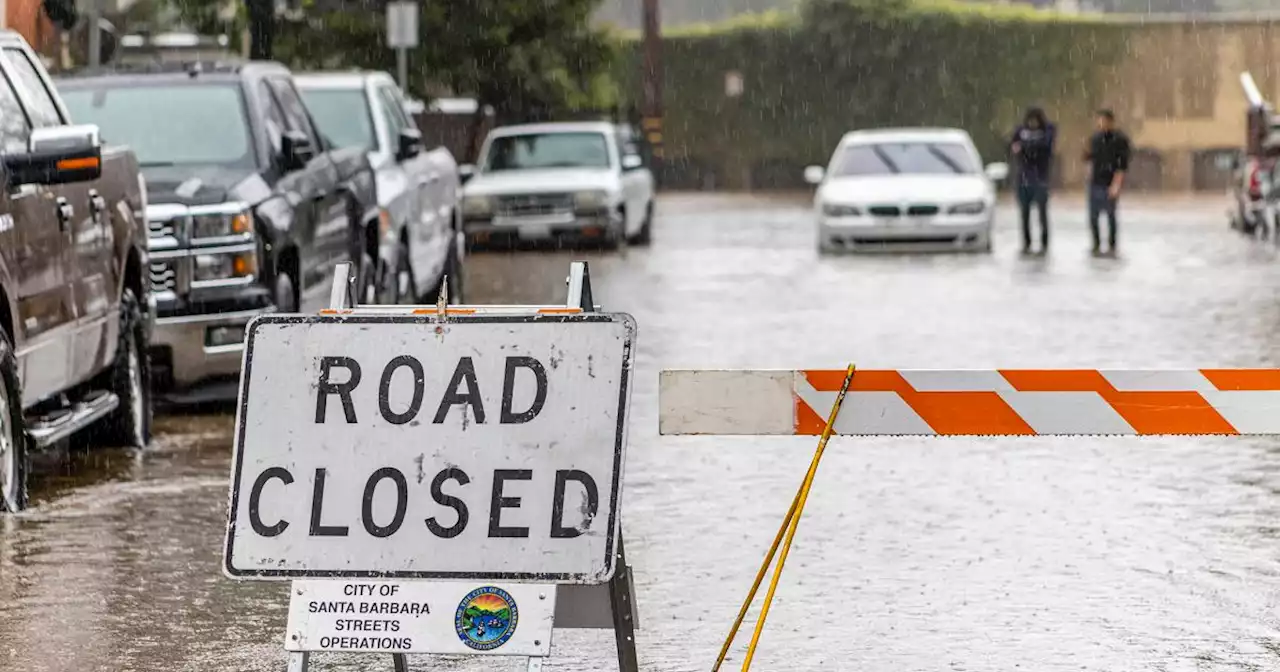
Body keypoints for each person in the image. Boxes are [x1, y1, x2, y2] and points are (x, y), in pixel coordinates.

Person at [1083, 109, 1132, 257]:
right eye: (1099, 121)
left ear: (1111, 121)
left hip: (1110, 182)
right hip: (1095, 182)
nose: (1101, 124)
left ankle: (1112, 245)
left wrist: (1116, 185)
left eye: (1103, 121)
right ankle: (1096, 245)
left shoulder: (1120, 139)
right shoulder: (1095, 139)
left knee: (1111, 216)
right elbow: (1089, 159)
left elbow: (1122, 165)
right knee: (1093, 217)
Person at [1009, 107, 1056, 255]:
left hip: (1040, 178)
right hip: (1023, 178)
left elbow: (1045, 146)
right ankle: (1026, 243)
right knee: (1024, 214)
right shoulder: (1020, 130)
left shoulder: (1048, 129)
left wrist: (1024, 147)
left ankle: (1044, 243)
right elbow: (1011, 147)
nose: (1033, 123)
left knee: (1042, 213)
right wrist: (1025, 148)